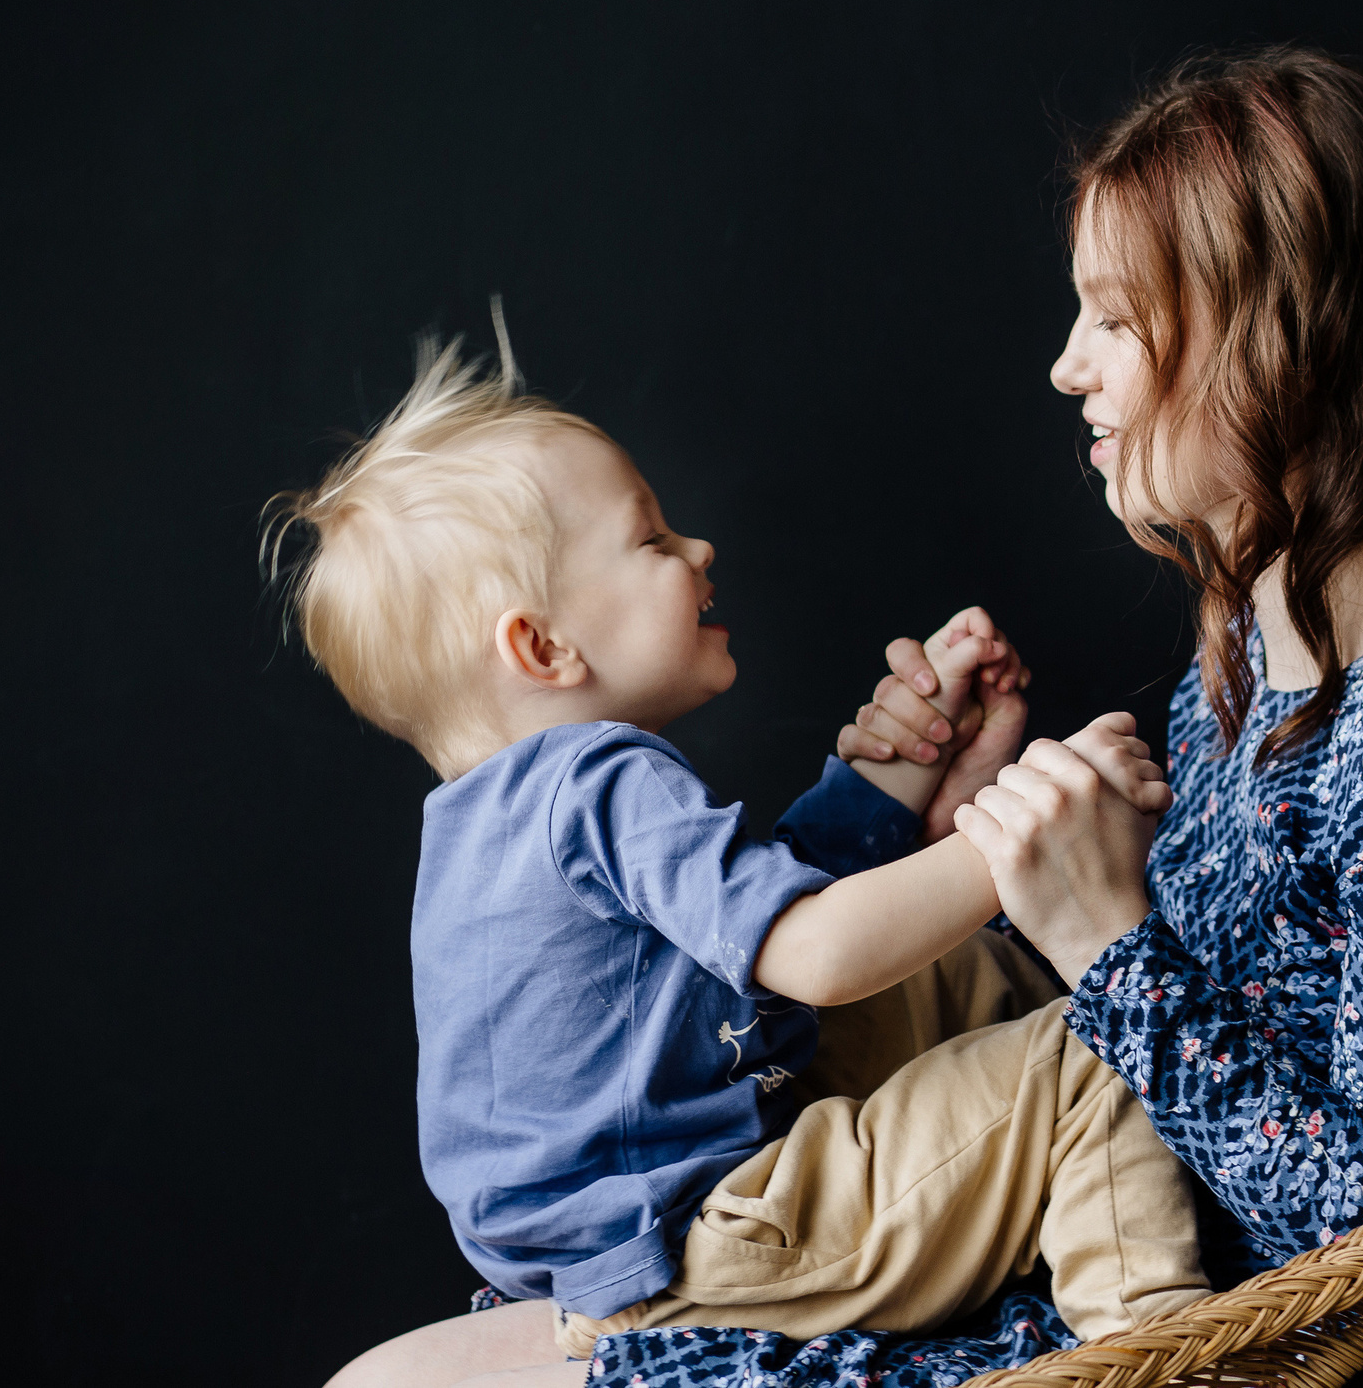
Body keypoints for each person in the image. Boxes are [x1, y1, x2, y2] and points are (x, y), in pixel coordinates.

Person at [582, 46, 1363, 1388]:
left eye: (1113, 315)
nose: (1065, 366)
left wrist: (1104, 935)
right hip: (1123, 1291)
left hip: (1261, 1355)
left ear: (1285, 339)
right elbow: (1185, 1037)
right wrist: (967, 822)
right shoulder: (1266, 639)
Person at [268, 337, 1209, 1388]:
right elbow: (814, 956)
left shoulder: (489, 820)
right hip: (708, 1244)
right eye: (651, 539)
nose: (698, 548)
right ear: (542, 649)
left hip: (614, 1256)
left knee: (939, 973)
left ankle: (1025, 1179)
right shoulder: (598, 777)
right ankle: (1163, 1349)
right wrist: (1023, 829)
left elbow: (742, 944)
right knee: (1096, 1052)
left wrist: (897, 778)